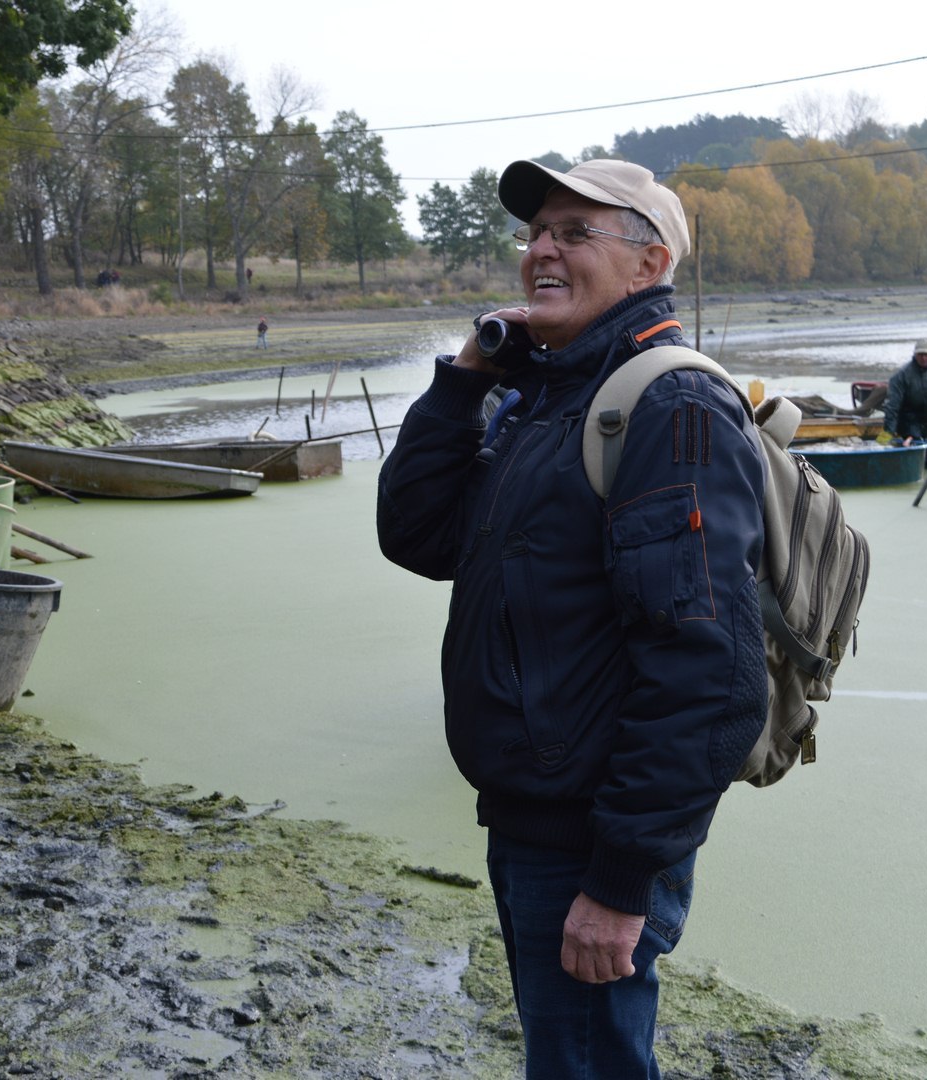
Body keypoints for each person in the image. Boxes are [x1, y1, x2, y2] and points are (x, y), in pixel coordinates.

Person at [377, 159, 767, 1078]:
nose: (541, 250)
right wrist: (468, 378)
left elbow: (708, 672)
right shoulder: (547, 397)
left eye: (574, 232)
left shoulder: (670, 407)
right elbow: (419, 535)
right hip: (530, 819)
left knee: (587, 1065)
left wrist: (621, 881)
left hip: (594, 839)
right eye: (537, 232)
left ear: (648, 264)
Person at [880, 338, 927, 454]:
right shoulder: (902, 375)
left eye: (926, 354)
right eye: (920, 354)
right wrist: (888, 432)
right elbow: (892, 407)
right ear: (915, 354)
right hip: (908, 425)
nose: (923, 358)